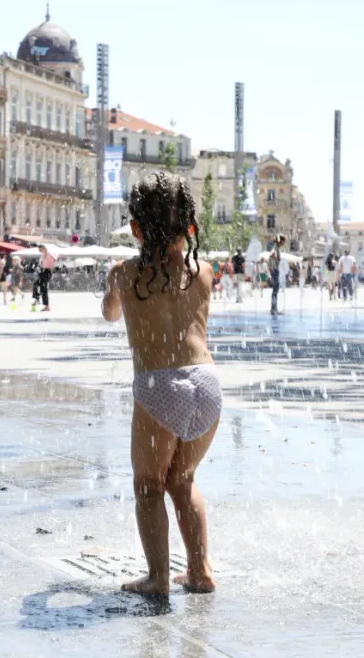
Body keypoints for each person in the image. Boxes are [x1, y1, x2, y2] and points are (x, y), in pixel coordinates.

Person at [101, 171, 220, 597]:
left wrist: (114, 288)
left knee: (148, 485)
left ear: (135, 229)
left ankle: (156, 577)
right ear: (189, 227)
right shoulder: (203, 272)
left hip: (159, 388)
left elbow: (110, 314)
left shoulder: (125, 274)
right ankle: (199, 570)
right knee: (182, 479)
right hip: (206, 384)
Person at [32, 244, 55, 312]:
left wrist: (49, 258)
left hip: (47, 271)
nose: (39, 250)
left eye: (40, 249)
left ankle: (40, 301)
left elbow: (55, 258)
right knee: (39, 286)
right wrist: (39, 267)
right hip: (43, 271)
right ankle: (43, 304)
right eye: (39, 249)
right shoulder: (42, 255)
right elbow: (41, 264)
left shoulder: (49, 254)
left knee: (43, 288)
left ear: (44, 248)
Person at [269, 235, 285, 316]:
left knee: (275, 290)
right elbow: (271, 255)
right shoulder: (275, 248)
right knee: (275, 290)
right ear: (280, 241)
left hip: (274, 270)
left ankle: (274, 308)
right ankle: (273, 309)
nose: (284, 243)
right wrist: (275, 258)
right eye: (283, 241)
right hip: (274, 270)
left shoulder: (276, 248)